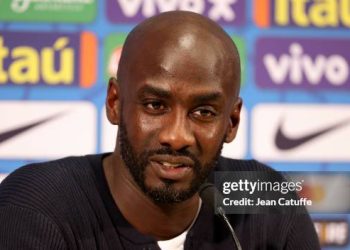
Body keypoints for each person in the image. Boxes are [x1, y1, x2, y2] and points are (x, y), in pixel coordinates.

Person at [0, 11, 320, 249]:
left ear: (232, 122)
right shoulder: (36, 204)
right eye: (155, 105)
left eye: (204, 112)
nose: (177, 136)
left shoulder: (264, 198)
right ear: (115, 102)